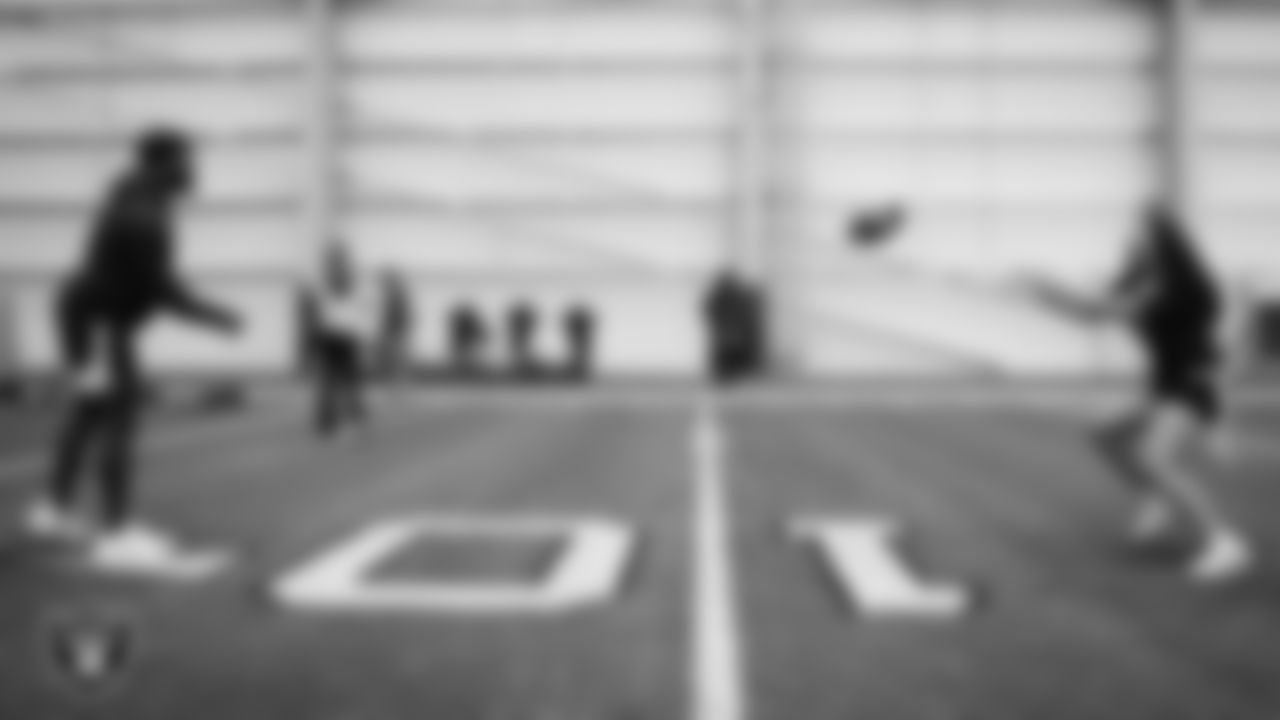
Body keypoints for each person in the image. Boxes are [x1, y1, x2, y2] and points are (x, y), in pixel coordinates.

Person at [24, 126, 240, 578]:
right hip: (101, 321)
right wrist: (217, 317)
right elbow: (161, 289)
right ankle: (117, 534)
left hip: (88, 313)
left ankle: (54, 509)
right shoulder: (144, 214)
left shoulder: (134, 197)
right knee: (118, 414)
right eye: (187, 159)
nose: (194, 169)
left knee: (89, 411)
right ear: (163, 164)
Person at [1032, 203, 1252, 583]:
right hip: (1166, 385)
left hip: (1192, 383)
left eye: (1140, 233)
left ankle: (1223, 542)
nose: (1131, 239)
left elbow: (1098, 312)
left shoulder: (1169, 286)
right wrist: (1047, 294)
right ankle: (1159, 498)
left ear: (1160, 238)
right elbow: (1094, 314)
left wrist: (1046, 290)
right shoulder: (1147, 281)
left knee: (1153, 457)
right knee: (1105, 435)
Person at [306, 242, 374, 438]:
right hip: (340, 333)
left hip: (332, 332)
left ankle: (331, 420)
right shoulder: (344, 278)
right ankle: (348, 416)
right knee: (346, 378)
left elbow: (318, 307)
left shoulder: (326, 278)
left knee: (334, 378)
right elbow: (359, 305)